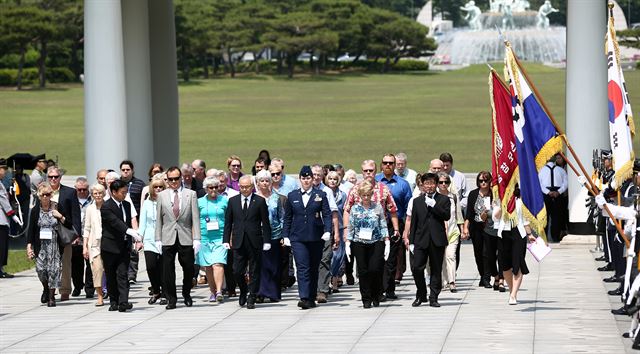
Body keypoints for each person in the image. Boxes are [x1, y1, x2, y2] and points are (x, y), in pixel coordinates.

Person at [343, 160, 399, 300]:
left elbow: (392, 210)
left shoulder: (383, 188)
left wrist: (396, 229)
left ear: (375, 171)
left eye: (371, 171)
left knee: (377, 266)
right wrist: (346, 231)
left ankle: (378, 292)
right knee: (363, 267)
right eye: (365, 171)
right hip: (359, 235)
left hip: (378, 234)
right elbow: (347, 210)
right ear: (362, 172)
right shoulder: (355, 189)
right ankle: (366, 295)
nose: (368, 173)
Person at [282, 166, 332, 310]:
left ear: (312, 179)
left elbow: (327, 214)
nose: (306, 180)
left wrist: (327, 230)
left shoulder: (320, 194)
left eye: (308, 178)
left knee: (313, 268)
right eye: (303, 178)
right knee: (302, 267)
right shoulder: (292, 196)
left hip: (316, 237)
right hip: (298, 238)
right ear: (300, 179)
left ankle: (311, 296)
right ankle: (304, 297)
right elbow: (288, 218)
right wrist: (285, 235)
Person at [222, 175, 271, 309]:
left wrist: (267, 240)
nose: (244, 189)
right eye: (241, 187)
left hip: (255, 240)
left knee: (255, 270)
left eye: (247, 187)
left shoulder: (259, 201)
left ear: (252, 186)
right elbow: (228, 222)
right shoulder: (232, 201)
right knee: (237, 270)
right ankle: (243, 290)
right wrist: (226, 239)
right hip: (238, 241)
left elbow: (265, 223)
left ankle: (252, 296)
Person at [155, 166, 201, 309]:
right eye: (170, 179)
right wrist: (157, 238)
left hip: (185, 235)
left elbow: (195, 217)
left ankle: (186, 293)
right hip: (168, 236)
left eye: (176, 178)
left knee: (188, 267)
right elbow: (159, 218)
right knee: (167, 270)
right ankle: (171, 298)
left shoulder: (191, 194)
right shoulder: (162, 195)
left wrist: (197, 238)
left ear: (181, 178)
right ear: (167, 180)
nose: (174, 182)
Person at [345, 180, 390, 308]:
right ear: (360, 195)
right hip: (359, 242)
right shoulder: (355, 209)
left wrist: (386, 240)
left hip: (375, 241)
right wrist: (348, 242)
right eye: (363, 195)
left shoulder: (377, 207)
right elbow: (351, 226)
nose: (366, 197)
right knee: (363, 271)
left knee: (375, 269)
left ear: (371, 195)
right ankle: (366, 297)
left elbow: (382, 223)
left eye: (368, 195)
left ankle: (376, 295)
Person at [408, 173, 451, 307]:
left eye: (432, 183)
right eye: (426, 183)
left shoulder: (444, 199)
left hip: (436, 239)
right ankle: (421, 294)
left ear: (436, 184)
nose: (429, 186)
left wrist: (434, 205)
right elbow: (414, 222)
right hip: (421, 239)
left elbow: (446, 216)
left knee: (436, 269)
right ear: (422, 185)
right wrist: (412, 242)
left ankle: (434, 297)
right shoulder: (417, 201)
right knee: (417, 268)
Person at [101, 179, 141, 312]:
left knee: (123, 274)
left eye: (126, 192)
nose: (125, 194)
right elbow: (115, 222)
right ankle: (114, 301)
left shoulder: (127, 205)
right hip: (110, 247)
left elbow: (127, 222)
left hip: (124, 246)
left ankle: (124, 302)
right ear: (114, 192)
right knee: (111, 275)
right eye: (122, 192)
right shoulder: (106, 206)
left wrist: (133, 236)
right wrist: (129, 231)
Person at [375, 154, 412, 295]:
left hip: (395, 223)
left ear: (395, 164)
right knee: (379, 257)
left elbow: (409, 206)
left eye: (391, 163)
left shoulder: (403, 184)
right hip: (377, 224)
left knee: (391, 258)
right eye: (385, 162)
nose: (388, 165)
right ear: (381, 165)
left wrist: (405, 228)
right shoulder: (375, 181)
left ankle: (389, 288)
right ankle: (380, 287)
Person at [494, 185, 535, 305]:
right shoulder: (499, 198)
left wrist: (529, 234)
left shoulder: (521, 199)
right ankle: (512, 290)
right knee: (505, 266)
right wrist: (503, 205)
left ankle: (513, 294)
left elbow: (525, 219)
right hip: (503, 233)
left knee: (517, 264)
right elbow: (495, 217)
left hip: (518, 233)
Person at [26, 183, 65, 306]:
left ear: (51, 195)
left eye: (48, 194)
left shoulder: (57, 207)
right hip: (41, 245)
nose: (45, 197)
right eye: (43, 195)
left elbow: (68, 224)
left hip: (54, 245)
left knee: (53, 270)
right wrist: (29, 246)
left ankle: (51, 297)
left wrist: (60, 216)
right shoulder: (35, 210)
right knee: (41, 270)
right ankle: (46, 288)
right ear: (39, 196)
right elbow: (31, 229)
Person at [47, 166, 81, 301]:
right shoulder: (43, 191)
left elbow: (75, 214)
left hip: (64, 232)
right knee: (49, 264)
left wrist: (76, 234)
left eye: (56, 177)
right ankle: (49, 291)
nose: (53, 179)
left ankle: (65, 290)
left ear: (60, 178)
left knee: (65, 262)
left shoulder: (70, 192)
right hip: (47, 234)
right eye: (51, 177)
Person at [255, 170, 286, 302]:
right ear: (257, 183)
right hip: (258, 235)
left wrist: (285, 235)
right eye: (262, 180)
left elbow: (282, 217)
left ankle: (273, 293)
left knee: (274, 265)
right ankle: (260, 293)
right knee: (260, 265)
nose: (265, 183)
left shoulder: (276, 198)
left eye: (267, 180)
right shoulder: (254, 198)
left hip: (275, 234)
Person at [311, 164, 340, 303]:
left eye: (318, 174)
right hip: (309, 230)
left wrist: (336, 233)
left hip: (325, 229)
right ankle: (311, 289)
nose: (316, 177)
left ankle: (322, 290)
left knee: (325, 259)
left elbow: (334, 213)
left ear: (323, 176)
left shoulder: (327, 191)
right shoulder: (303, 190)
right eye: (313, 174)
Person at [197, 176, 229, 303]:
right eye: (211, 187)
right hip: (204, 238)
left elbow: (229, 219)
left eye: (216, 187)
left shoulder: (224, 201)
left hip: (220, 237)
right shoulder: (199, 202)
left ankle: (220, 290)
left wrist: (229, 236)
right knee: (208, 266)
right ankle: (212, 291)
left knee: (218, 263)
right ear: (206, 189)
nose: (214, 190)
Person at [138, 176, 167, 306]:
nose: (158, 189)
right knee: (151, 266)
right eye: (156, 187)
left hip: (164, 237)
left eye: (161, 187)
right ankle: (156, 290)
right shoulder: (147, 203)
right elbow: (143, 222)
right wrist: (139, 238)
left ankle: (165, 293)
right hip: (150, 238)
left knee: (164, 268)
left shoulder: (167, 201)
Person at [211, 169, 240, 297]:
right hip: (215, 232)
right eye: (218, 183)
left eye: (222, 182)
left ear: (227, 181)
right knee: (218, 261)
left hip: (232, 231)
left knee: (230, 261)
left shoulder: (234, 194)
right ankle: (220, 288)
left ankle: (232, 287)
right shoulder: (212, 196)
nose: (220, 185)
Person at [462, 171, 493, 287]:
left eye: (486, 180)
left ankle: (487, 277)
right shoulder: (473, 194)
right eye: (481, 181)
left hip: (490, 228)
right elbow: (469, 214)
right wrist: (466, 228)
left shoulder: (493, 194)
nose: (483, 183)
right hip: (476, 228)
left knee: (488, 253)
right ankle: (482, 275)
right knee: (478, 253)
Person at [436, 172, 463, 293]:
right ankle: (442, 281)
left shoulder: (453, 197)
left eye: (446, 182)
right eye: (441, 182)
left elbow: (458, 214)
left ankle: (452, 282)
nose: (443, 184)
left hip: (453, 231)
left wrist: (463, 229)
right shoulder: (433, 197)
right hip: (438, 233)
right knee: (440, 258)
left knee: (450, 256)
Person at [82, 183, 106, 306]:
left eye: (100, 193)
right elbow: (87, 228)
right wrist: (85, 246)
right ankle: (100, 296)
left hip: (108, 243)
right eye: (95, 193)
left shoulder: (108, 206)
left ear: (104, 194)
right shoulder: (90, 209)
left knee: (109, 270)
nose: (98, 195)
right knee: (97, 270)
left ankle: (112, 293)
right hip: (94, 244)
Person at [538, 153, 568, 242]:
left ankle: (544, 238)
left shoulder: (541, 170)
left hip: (546, 195)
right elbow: (566, 183)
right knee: (557, 217)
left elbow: (539, 184)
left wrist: (548, 192)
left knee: (545, 216)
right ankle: (555, 237)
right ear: (554, 160)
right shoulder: (561, 170)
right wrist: (559, 192)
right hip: (558, 195)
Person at [0, 159, 22, 278]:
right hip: (1, 220)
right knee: (2, 245)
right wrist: (12, 214)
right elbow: (3, 200)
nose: (4, 172)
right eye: (3, 170)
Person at [326, 170, 347, 292]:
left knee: (339, 256)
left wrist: (345, 228)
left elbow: (345, 212)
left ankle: (334, 279)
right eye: (330, 179)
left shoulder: (343, 195)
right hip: (328, 228)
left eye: (335, 179)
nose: (332, 181)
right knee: (329, 256)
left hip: (339, 227)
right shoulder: (323, 193)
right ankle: (329, 282)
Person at [75, 177, 94, 298]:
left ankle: (89, 288)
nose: (82, 192)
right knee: (76, 264)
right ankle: (77, 286)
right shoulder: (71, 200)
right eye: (79, 189)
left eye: (84, 189)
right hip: (76, 237)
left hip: (90, 236)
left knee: (90, 263)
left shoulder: (93, 200)